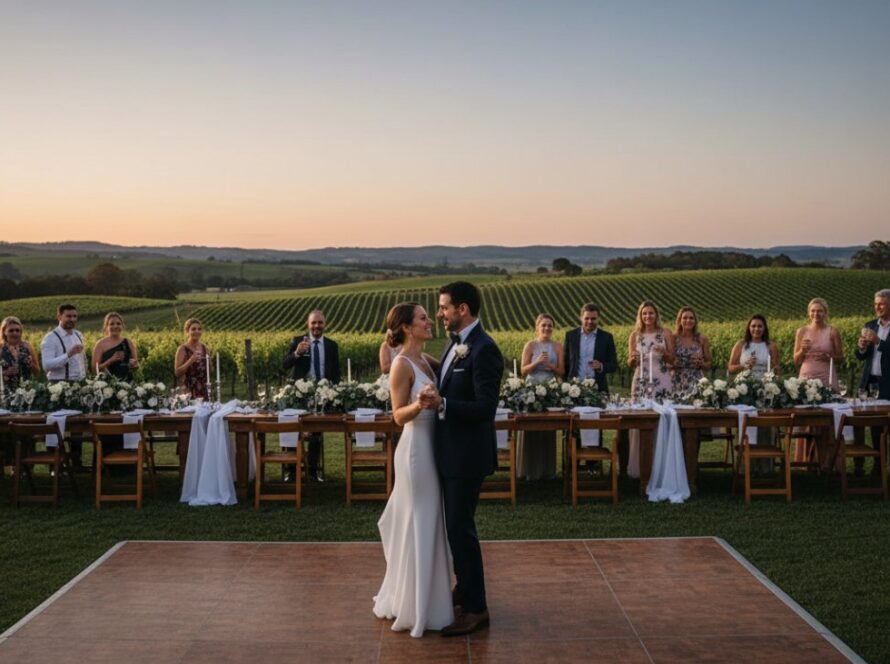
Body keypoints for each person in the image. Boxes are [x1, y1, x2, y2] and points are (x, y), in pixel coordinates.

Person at [423, 281, 503, 637]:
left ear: (463, 309)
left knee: (461, 530)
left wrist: (443, 405)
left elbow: (486, 407)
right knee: (455, 527)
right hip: (450, 453)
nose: (440, 314)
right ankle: (464, 588)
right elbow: (452, 379)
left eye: (443, 308)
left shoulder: (484, 349)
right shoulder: (455, 345)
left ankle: (476, 608)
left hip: (467, 457)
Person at [373, 303, 453, 637]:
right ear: (407, 327)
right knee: (420, 520)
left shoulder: (425, 360)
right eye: (423, 318)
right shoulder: (401, 365)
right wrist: (419, 405)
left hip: (433, 446)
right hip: (415, 450)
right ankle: (417, 608)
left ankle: (432, 599)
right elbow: (396, 416)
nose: (430, 320)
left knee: (431, 520)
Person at [282, 309, 341, 481]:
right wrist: (297, 353)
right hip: (299, 394)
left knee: (316, 432)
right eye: (313, 323)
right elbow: (284, 364)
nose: (316, 326)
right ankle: (291, 471)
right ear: (308, 324)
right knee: (292, 429)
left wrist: (334, 392)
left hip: (322, 395)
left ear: (325, 324)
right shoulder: (298, 341)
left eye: (320, 322)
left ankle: (313, 471)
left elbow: (336, 373)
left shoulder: (331, 346)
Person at [793, 298, 843, 465]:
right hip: (806, 376)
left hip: (826, 377)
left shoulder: (832, 331)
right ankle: (806, 461)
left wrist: (829, 357)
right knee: (805, 419)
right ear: (808, 313)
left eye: (820, 311)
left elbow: (840, 358)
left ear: (825, 312)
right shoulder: (801, 331)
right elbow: (796, 359)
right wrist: (802, 350)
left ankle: (827, 462)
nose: (816, 314)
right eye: (813, 311)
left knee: (827, 420)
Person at [41, 303, 88, 468]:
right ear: (59, 317)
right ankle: (54, 465)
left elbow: (81, 362)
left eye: (74, 316)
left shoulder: (78, 335)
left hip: (78, 385)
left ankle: (77, 461)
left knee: (77, 426)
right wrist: (68, 354)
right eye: (68, 316)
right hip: (58, 386)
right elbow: (46, 365)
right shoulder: (51, 338)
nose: (72, 319)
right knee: (56, 425)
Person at [516, 313, 563, 480]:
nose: (547, 328)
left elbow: (561, 372)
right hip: (532, 390)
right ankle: (529, 470)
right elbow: (523, 370)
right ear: (538, 327)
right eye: (544, 325)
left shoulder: (557, 346)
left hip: (549, 389)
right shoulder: (530, 345)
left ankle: (547, 470)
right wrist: (536, 363)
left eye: (550, 325)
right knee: (530, 428)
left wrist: (550, 365)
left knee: (547, 428)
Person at [854, 289, 890, 476]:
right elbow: (861, 357)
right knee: (866, 425)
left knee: (883, 426)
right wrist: (861, 348)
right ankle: (866, 466)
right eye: (876, 304)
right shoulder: (870, 325)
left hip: (888, 384)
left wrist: (879, 342)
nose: (877, 307)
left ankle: (881, 466)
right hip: (869, 382)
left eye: (881, 304)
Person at [563, 303, 618, 394]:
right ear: (581, 318)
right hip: (574, 389)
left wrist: (601, 366)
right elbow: (565, 363)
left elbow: (613, 364)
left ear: (598, 319)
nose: (590, 321)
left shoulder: (607, 337)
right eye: (586, 318)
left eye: (593, 319)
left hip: (598, 389)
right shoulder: (571, 336)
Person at [628, 301, 674, 401]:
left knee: (663, 410)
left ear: (656, 315)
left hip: (662, 378)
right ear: (640, 316)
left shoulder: (666, 333)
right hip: (641, 380)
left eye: (651, 313)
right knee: (639, 412)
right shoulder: (635, 335)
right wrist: (633, 358)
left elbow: (672, 360)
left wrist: (663, 351)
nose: (648, 316)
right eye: (644, 313)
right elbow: (630, 364)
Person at [672, 306, 711, 396]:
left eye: (691, 318)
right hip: (677, 381)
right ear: (680, 320)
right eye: (685, 318)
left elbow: (708, 364)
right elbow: (666, 363)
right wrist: (675, 363)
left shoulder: (702, 339)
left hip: (697, 381)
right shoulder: (673, 338)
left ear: (695, 321)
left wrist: (701, 363)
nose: (688, 320)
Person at [92, 312, 139, 380]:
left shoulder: (128, 342)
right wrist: (111, 360)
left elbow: (136, 366)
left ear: (122, 326)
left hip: (128, 384)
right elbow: (94, 370)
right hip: (107, 386)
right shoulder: (100, 344)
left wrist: (133, 365)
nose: (115, 326)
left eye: (118, 323)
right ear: (106, 327)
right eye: (112, 324)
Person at [174, 318, 211, 400]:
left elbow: (210, 370)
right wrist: (190, 361)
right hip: (188, 390)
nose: (197, 331)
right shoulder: (182, 349)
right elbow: (177, 372)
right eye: (193, 329)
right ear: (187, 331)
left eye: (199, 329)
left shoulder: (205, 348)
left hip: (204, 389)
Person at [1, 316, 40, 390]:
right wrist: (5, 373)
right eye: (11, 330)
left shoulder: (27, 347)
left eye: (17, 330)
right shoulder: (1, 349)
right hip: (5, 393)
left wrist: (31, 364)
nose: (15, 333)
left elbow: (37, 372)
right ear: (4, 332)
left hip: (26, 392)